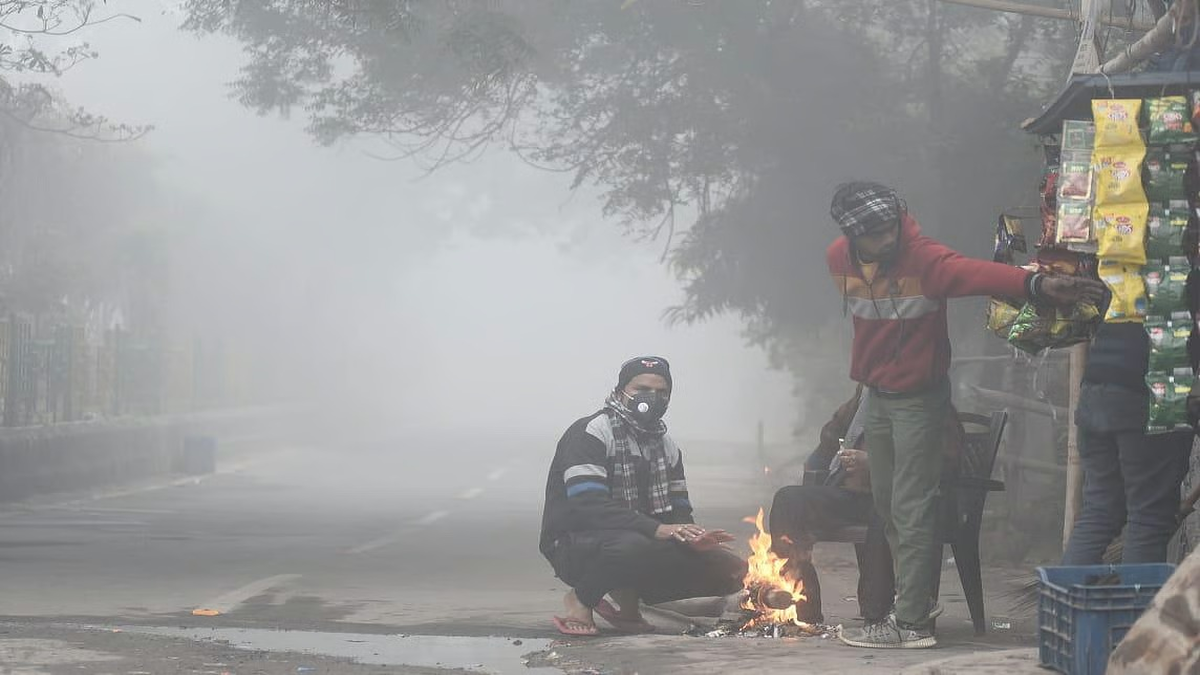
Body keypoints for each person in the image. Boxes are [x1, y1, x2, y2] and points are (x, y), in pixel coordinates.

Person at [825, 181, 1104, 649]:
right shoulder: (838, 258)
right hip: (875, 395)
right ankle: (910, 603)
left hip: (919, 398)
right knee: (888, 504)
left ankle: (912, 623)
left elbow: (975, 274)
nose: (888, 238)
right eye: (876, 233)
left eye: (892, 226)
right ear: (854, 237)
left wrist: (1036, 283)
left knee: (912, 506)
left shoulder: (924, 257)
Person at [539, 356, 746, 636]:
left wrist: (693, 538)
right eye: (642, 389)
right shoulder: (590, 433)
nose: (653, 398)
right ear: (619, 392)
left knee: (731, 568)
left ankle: (628, 600)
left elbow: (680, 510)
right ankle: (581, 598)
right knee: (632, 544)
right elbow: (588, 506)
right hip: (573, 543)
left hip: (638, 542)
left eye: (662, 392)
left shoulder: (666, 445)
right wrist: (658, 528)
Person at [768, 386, 963, 626]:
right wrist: (824, 459)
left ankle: (877, 614)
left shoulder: (929, 404)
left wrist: (876, 464)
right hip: (853, 495)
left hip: (903, 498)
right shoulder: (867, 395)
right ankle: (801, 606)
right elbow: (831, 436)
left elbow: (942, 463)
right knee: (789, 500)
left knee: (881, 514)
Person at [1060, 318, 1193, 565]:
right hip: (1151, 396)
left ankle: (1067, 602)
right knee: (1149, 518)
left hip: (1096, 390)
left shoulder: (1126, 277)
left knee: (1100, 511)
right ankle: (1139, 604)